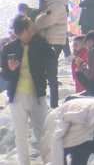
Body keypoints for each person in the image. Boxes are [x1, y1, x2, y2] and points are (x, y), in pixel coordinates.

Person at [1, 14, 54, 165]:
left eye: (27, 31)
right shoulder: (9, 48)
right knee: (21, 136)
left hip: (38, 95)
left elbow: (51, 54)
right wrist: (10, 69)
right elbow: (4, 75)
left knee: (42, 134)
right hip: (18, 96)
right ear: (16, 34)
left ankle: (48, 162)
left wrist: (37, 35)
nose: (25, 36)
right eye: (21, 33)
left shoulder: (37, 42)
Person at [36, 0, 68, 108]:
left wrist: (37, 19)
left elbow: (41, 22)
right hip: (53, 41)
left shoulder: (57, 5)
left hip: (53, 42)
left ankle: (53, 105)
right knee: (49, 73)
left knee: (50, 74)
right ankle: (50, 103)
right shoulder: (54, 3)